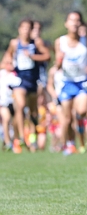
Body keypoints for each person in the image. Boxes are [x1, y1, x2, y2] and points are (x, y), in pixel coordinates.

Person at [3, 18, 51, 153]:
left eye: (28, 28)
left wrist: (33, 57)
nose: (25, 31)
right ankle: (18, 139)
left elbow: (47, 56)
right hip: (19, 80)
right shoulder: (14, 43)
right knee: (21, 105)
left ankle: (32, 137)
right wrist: (8, 64)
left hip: (33, 81)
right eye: (23, 28)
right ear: (19, 29)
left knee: (33, 112)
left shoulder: (36, 43)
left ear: (31, 30)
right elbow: (7, 57)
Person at [55, 11, 87, 155]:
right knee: (66, 119)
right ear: (66, 23)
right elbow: (57, 67)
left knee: (82, 111)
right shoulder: (59, 42)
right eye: (71, 20)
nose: (74, 23)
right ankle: (69, 144)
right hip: (67, 83)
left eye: (77, 20)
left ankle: (78, 129)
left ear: (80, 23)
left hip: (82, 83)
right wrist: (59, 61)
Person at [0, 55, 21, 151]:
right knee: (6, 119)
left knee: (15, 122)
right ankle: (8, 142)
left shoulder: (16, 75)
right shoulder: (1, 74)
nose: (9, 65)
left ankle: (14, 140)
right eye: (7, 63)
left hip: (14, 103)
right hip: (3, 102)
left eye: (11, 63)